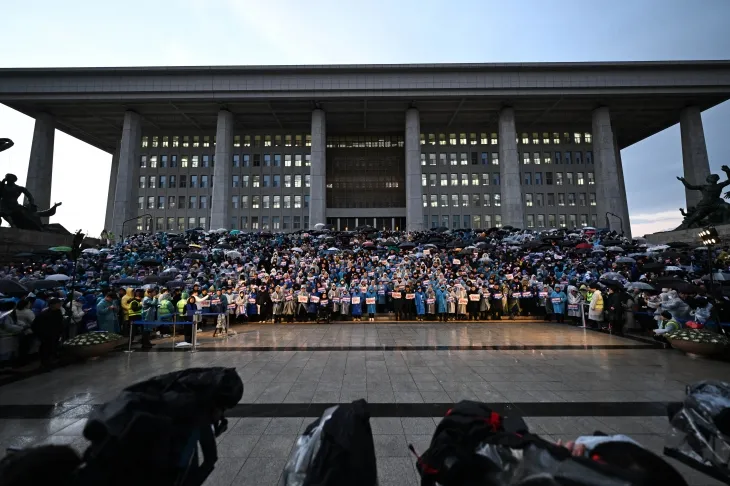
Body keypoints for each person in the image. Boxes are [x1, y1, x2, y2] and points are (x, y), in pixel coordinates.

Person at [31, 298, 64, 371]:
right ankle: (44, 364)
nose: (60, 305)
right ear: (52, 305)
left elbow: (59, 323)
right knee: (45, 350)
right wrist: (41, 335)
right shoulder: (44, 314)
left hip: (55, 335)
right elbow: (35, 325)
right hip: (46, 336)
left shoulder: (58, 312)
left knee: (53, 349)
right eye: (58, 304)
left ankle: (50, 363)